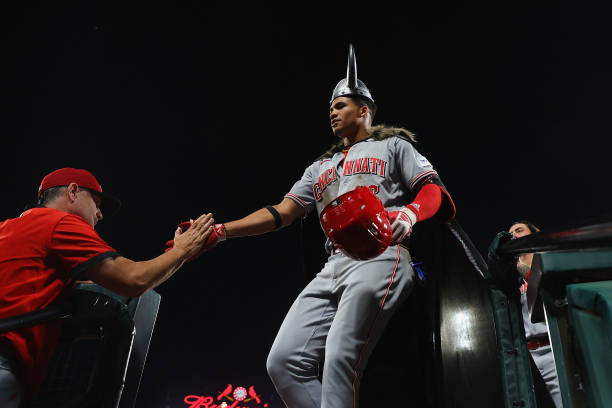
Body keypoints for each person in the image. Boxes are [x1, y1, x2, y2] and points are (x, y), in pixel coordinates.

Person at [198, 44, 455, 408]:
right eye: (330, 107)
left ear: (364, 110)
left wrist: (411, 212)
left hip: (382, 254)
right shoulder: (319, 167)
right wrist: (222, 230)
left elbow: (434, 191)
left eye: (340, 105)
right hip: (333, 264)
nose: (331, 113)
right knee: (284, 362)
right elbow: (282, 212)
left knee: (339, 358)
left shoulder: (394, 146)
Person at [0, 167, 214, 407]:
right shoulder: (59, 223)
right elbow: (133, 280)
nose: (100, 214)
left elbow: (100, 281)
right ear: (73, 191)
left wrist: (172, 258)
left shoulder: (8, 228)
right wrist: (183, 250)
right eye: (96, 202)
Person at [508, 220, 562, 407]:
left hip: (553, 349)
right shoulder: (513, 279)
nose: (513, 234)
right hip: (527, 356)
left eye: (519, 230)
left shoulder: (550, 261)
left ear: (534, 234)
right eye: (510, 232)